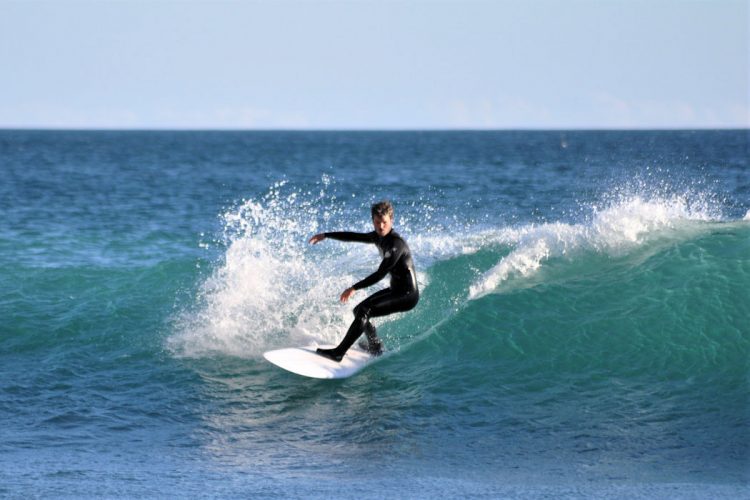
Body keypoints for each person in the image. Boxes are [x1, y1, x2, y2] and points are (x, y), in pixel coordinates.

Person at [308, 200, 419, 362]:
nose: (381, 226)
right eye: (377, 222)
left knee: (365, 310)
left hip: (407, 295)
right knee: (359, 310)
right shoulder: (377, 237)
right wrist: (326, 235)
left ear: (391, 221)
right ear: (373, 221)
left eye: (385, 222)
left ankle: (339, 353)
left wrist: (354, 288)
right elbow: (353, 236)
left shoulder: (396, 244)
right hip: (396, 290)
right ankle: (375, 346)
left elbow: (380, 273)